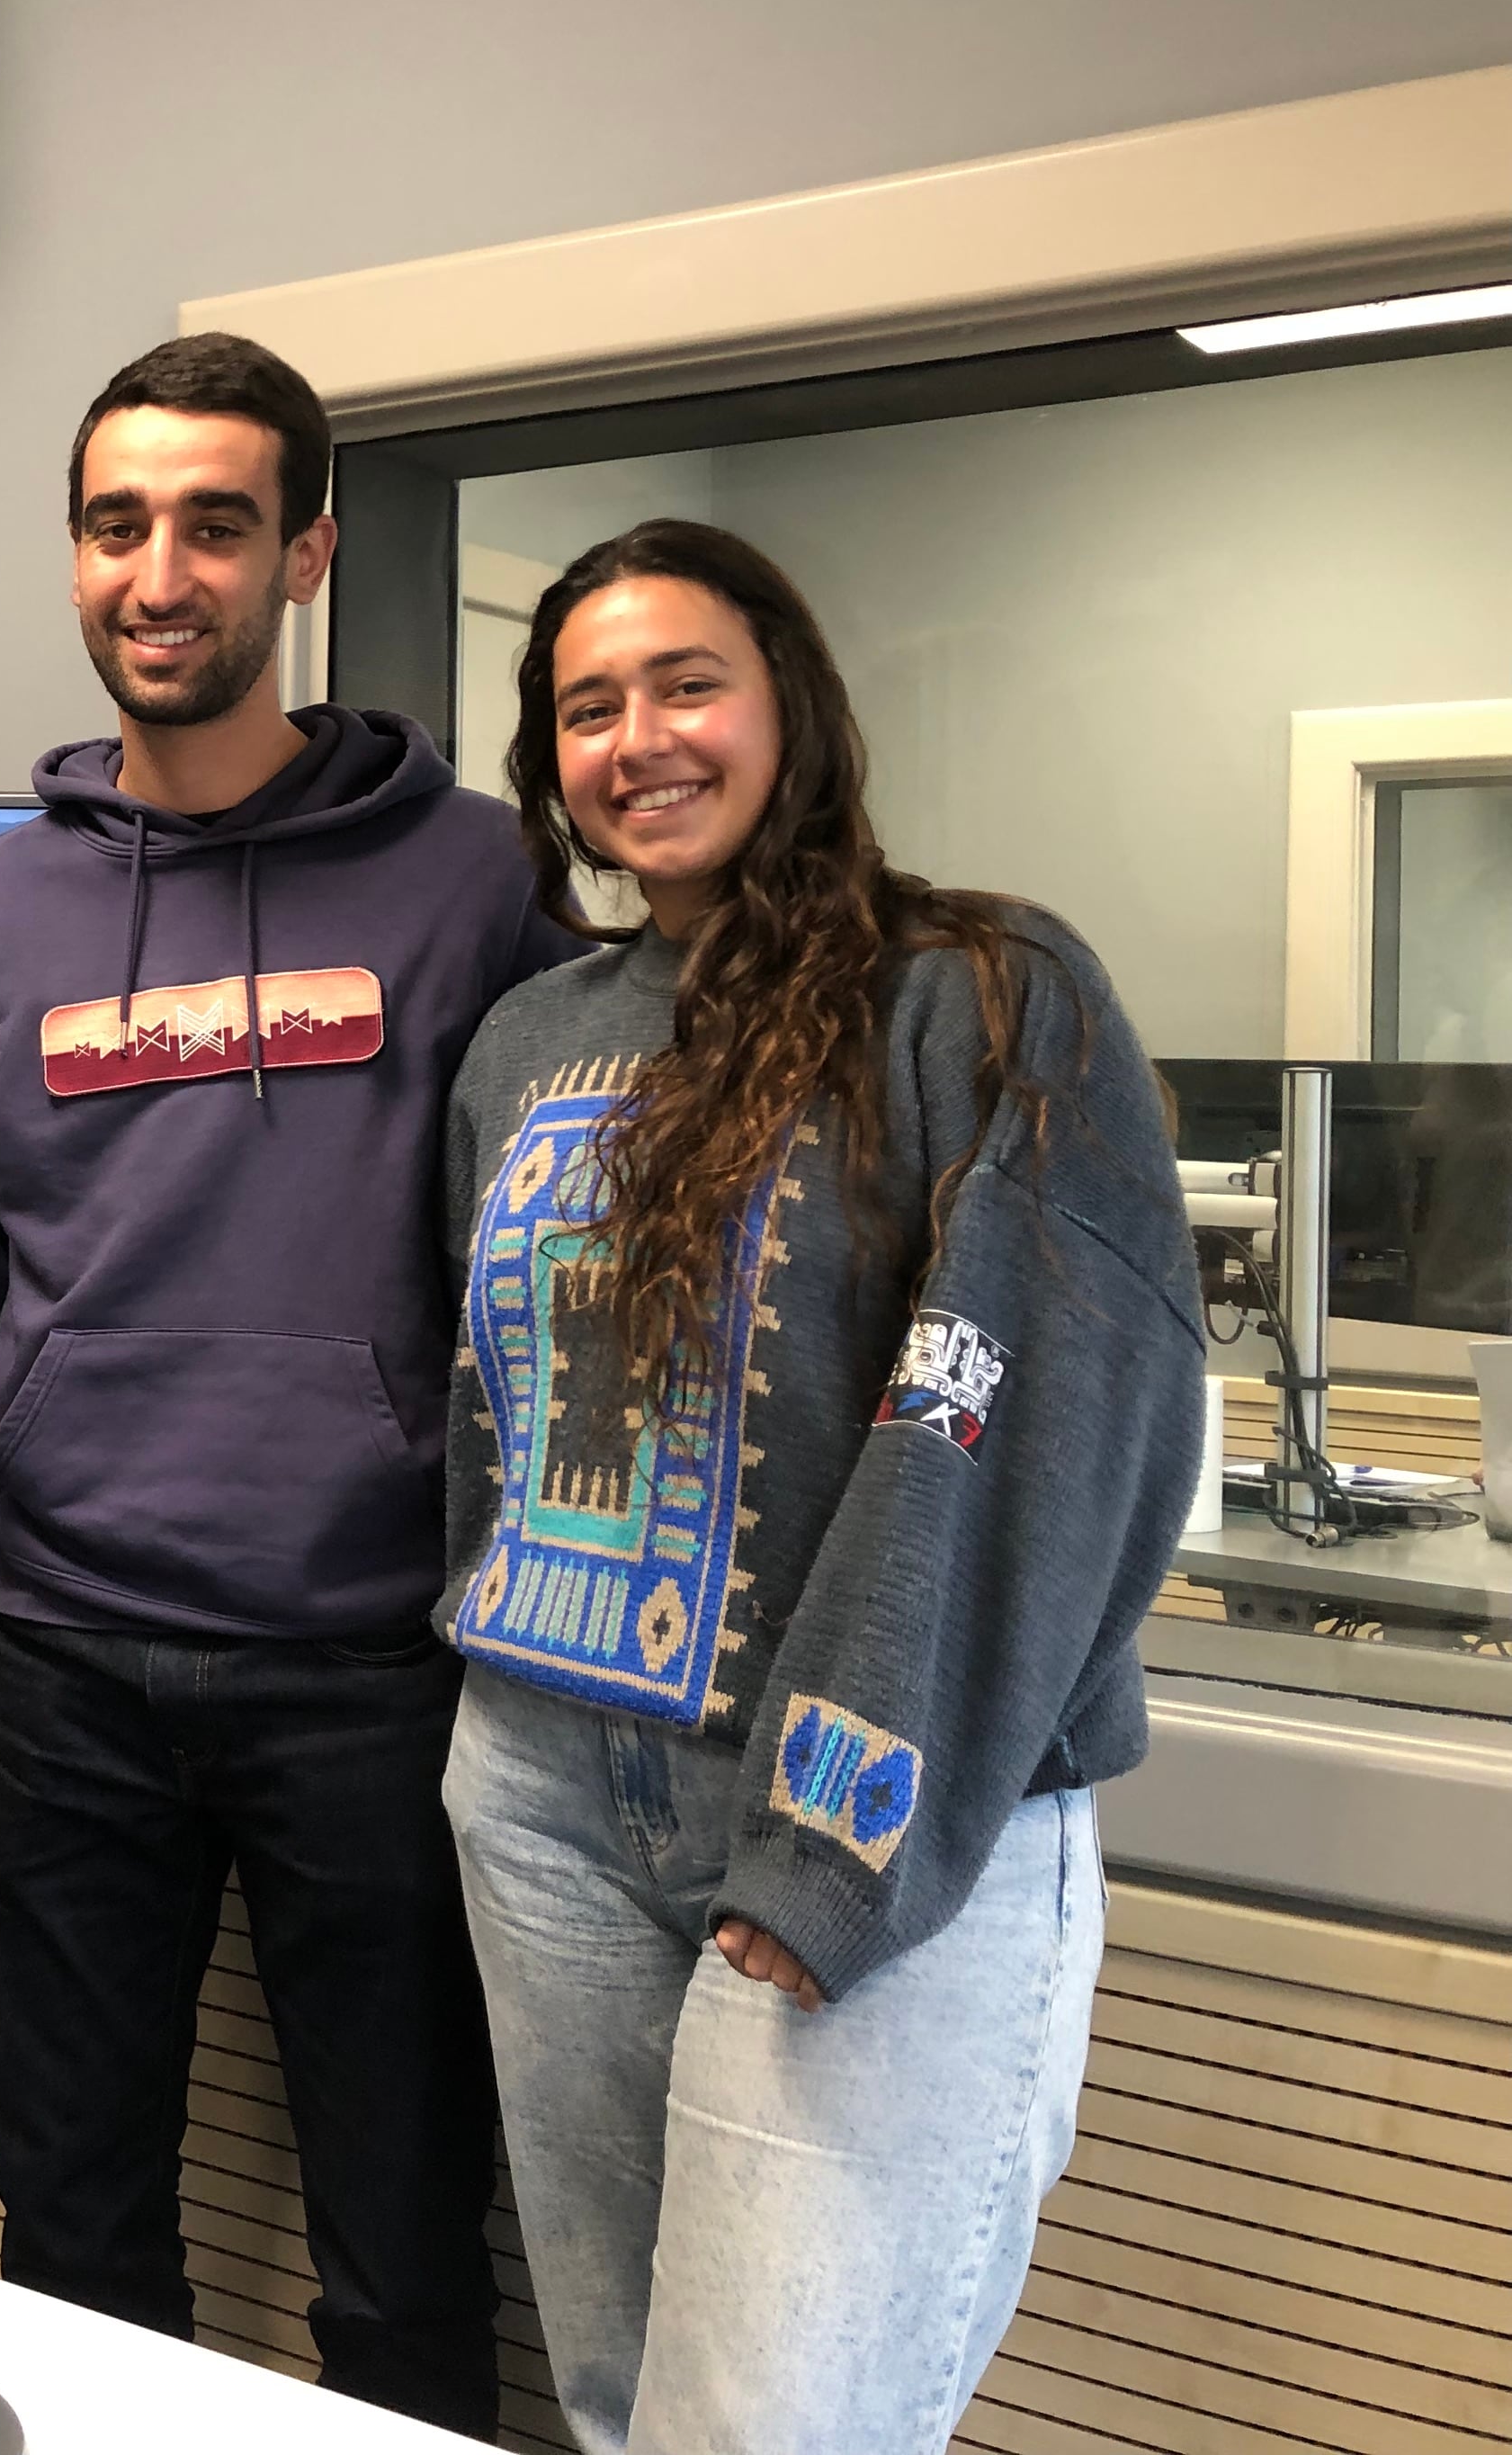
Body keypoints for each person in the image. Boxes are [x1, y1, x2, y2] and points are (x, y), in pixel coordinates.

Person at [0, 333, 578, 2437]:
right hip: (68, 1671)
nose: (156, 573)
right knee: (71, 2249)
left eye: (212, 525)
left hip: (382, 1679)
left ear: (307, 556)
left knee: (406, 2262)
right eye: (113, 524)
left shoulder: (473, 883)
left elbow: (567, 1269)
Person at [434, 520, 1204, 2455]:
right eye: (586, 707)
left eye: (687, 683)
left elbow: (1007, 1426)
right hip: (544, 1788)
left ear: (791, 704)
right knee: (619, 2405)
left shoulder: (988, 996)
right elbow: (491, 1404)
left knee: (770, 2426)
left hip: (853, 1814)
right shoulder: (528, 1042)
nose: (640, 738)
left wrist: (834, 1830)